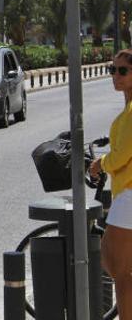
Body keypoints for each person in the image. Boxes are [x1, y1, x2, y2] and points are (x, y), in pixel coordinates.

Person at [89, 49, 132, 316]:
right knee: (123, 271)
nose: (115, 75)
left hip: (129, 196)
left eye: (123, 71)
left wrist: (99, 164)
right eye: (112, 70)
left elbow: (123, 155)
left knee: (119, 269)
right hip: (125, 194)